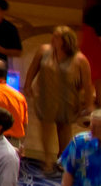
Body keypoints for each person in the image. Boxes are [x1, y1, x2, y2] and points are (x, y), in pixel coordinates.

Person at [22, 25, 92, 167]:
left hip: (68, 99)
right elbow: (33, 69)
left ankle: (63, 157)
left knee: (64, 129)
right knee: (46, 129)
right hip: (45, 96)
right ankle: (47, 158)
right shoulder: (44, 50)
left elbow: (88, 84)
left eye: (56, 38)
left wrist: (89, 104)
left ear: (66, 41)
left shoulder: (80, 59)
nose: (52, 39)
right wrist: (27, 85)